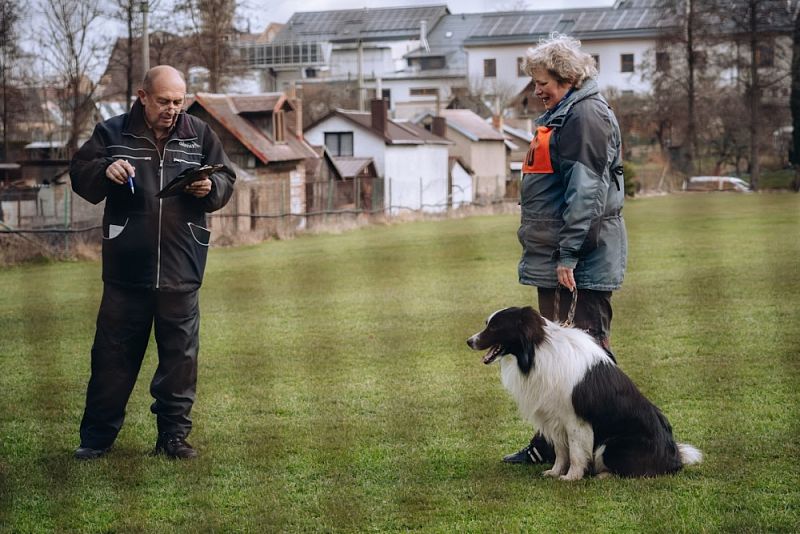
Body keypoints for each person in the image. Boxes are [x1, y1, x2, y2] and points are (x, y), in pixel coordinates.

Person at [70, 65, 236, 460]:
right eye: (164, 101)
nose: (172, 109)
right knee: (111, 359)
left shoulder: (200, 134)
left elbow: (227, 179)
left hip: (182, 269)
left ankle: (173, 438)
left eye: (179, 101)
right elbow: (80, 175)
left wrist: (210, 186)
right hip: (126, 272)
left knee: (180, 361)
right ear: (143, 96)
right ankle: (96, 440)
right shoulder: (111, 132)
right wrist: (105, 170)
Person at [506, 33, 627, 464]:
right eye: (535, 82)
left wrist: (569, 256)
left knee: (588, 358)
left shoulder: (584, 117)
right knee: (557, 358)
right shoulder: (566, 113)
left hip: (578, 261)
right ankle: (552, 442)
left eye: (543, 82)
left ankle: (615, 444)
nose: (537, 90)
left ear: (568, 77)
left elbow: (586, 194)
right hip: (558, 256)